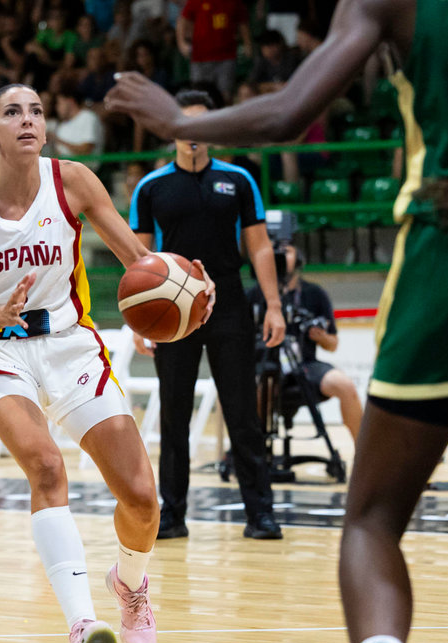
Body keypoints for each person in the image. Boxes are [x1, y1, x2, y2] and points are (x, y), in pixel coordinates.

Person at [106, 1, 448, 643]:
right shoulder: (152, 189)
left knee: (373, 518)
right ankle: (177, 515)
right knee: (180, 423)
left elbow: (287, 112)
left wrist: (179, 119)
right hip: (190, 310)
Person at [0, 84, 214, 643]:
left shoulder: (75, 182)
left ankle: (131, 583)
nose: (29, 120)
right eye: (14, 112)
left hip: (70, 345)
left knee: (142, 498)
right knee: (46, 467)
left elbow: (137, 256)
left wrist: (184, 285)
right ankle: (84, 625)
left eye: (37, 110)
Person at [129, 88, 286, 541]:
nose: (193, 136)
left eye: (202, 125)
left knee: (242, 414)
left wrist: (272, 304)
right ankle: (172, 515)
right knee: (174, 414)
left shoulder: (239, 181)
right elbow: (138, 257)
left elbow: (258, 245)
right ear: (173, 130)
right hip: (173, 312)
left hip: (230, 306)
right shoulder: (151, 186)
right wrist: (141, 320)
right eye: (186, 126)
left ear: (213, 129)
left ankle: (260, 513)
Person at [248, 244, 363, 444]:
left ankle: (364, 454)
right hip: (265, 364)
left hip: (305, 364)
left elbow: (332, 344)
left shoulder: (314, 293)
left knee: (345, 386)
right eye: (275, 249)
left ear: (299, 258)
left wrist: (320, 337)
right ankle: (249, 454)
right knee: (250, 388)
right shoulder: (254, 294)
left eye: (286, 250)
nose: (280, 254)